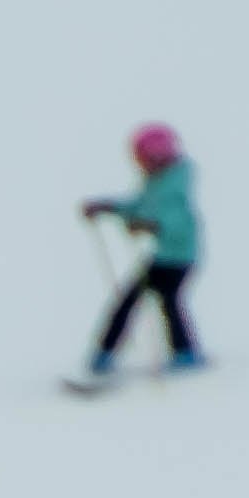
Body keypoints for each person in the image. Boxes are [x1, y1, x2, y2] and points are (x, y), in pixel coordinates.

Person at [79, 123, 204, 377]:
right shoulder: (156, 182)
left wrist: (152, 226)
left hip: (178, 258)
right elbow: (139, 205)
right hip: (163, 257)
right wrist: (107, 207)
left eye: (142, 158)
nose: (140, 164)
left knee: (165, 301)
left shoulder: (175, 184)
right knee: (141, 301)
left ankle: (184, 353)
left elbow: (177, 218)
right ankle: (105, 354)